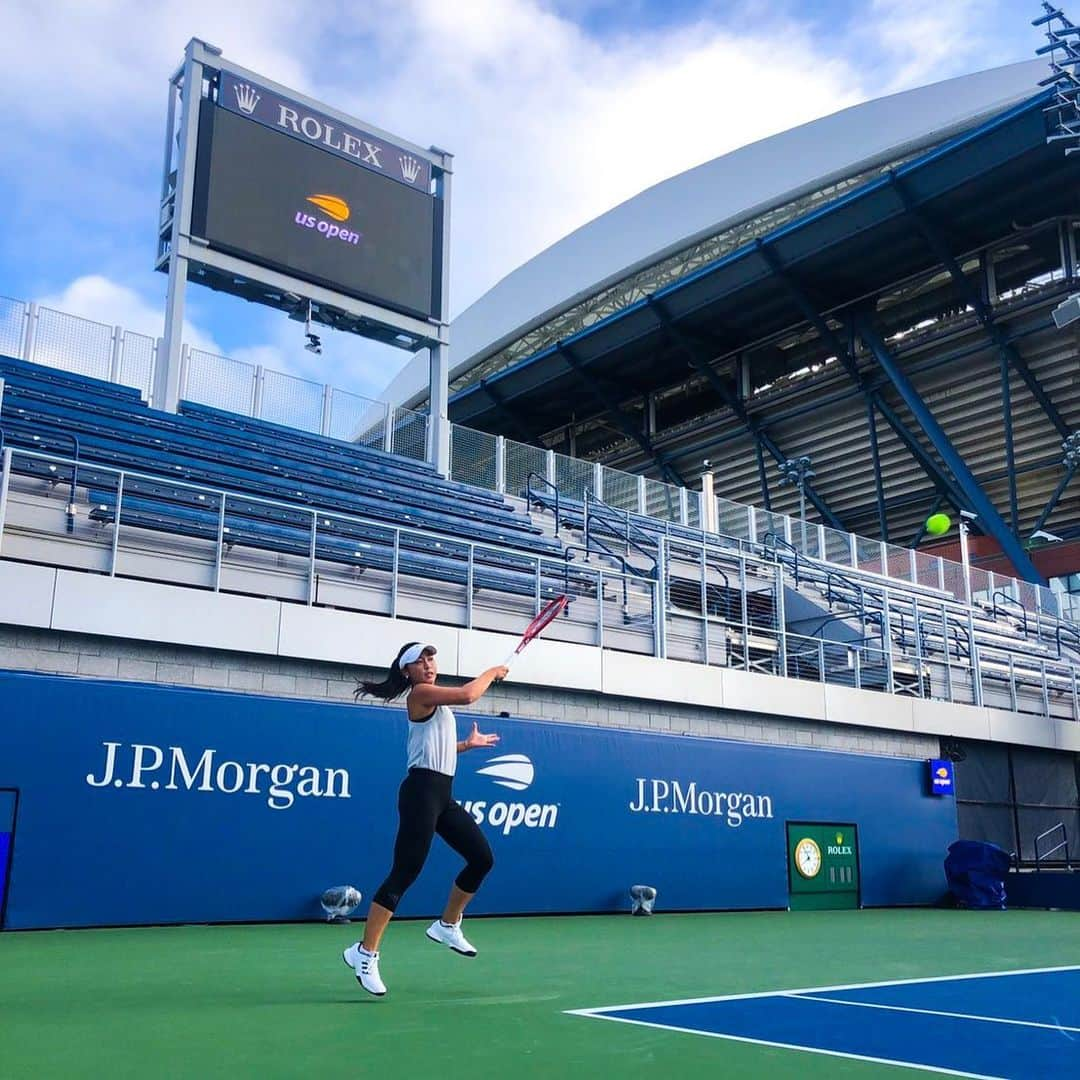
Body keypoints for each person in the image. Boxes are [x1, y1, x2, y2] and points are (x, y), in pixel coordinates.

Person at [342, 641, 508, 996]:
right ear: (408, 671)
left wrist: (466, 746)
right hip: (420, 793)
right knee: (404, 874)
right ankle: (364, 953)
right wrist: (492, 672)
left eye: (431, 658)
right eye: (420, 661)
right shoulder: (420, 693)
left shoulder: (431, 701)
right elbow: (467, 695)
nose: (428, 664)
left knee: (481, 858)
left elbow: (433, 747)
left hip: (442, 795)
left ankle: (447, 924)